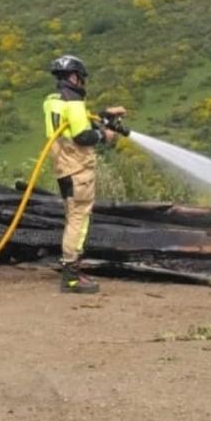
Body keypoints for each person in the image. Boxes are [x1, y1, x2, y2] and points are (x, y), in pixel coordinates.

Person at [43, 55, 126, 292]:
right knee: (78, 218)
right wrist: (104, 135)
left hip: (63, 167)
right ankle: (71, 276)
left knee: (72, 216)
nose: (82, 83)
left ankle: (71, 271)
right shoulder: (74, 102)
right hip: (78, 169)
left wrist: (101, 116)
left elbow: (71, 125)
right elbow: (82, 136)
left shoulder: (52, 100)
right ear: (73, 76)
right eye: (81, 78)